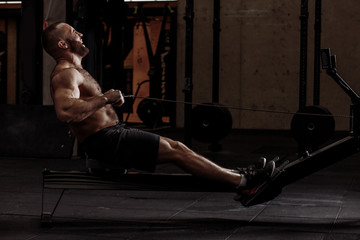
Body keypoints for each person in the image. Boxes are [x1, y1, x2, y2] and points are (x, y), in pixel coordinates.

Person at [42, 22, 275, 200]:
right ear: (63, 44)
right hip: (105, 140)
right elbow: (65, 112)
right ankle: (244, 182)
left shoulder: (76, 70)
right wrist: (105, 98)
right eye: (74, 32)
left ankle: (238, 175)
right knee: (177, 149)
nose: (80, 34)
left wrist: (106, 101)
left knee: (177, 148)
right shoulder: (66, 73)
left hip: (111, 134)